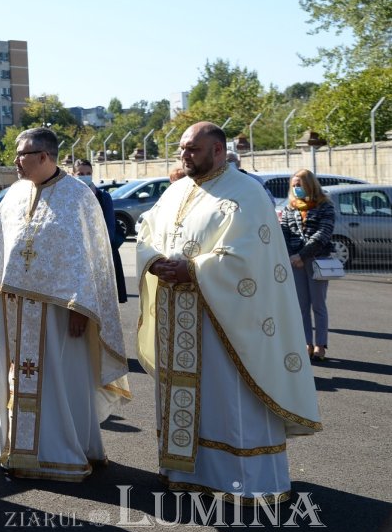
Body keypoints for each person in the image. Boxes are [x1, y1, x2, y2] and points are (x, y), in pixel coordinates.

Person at [137, 122, 322, 504]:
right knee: (188, 395)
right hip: (179, 315)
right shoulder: (175, 191)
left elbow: (249, 258)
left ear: (218, 151)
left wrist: (194, 269)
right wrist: (154, 262)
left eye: (193, 149)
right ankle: (184, 471)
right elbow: (146, 232)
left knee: (230, 398)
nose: (185, 155)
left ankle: (244, 480)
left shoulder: (247, 193)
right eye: (183, 148)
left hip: (226, 321)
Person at [0, 127, 131, 482]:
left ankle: (62, 452)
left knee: (60, 381)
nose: (16, 162)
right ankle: (18, 450)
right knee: (14, 380)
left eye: (22, 155)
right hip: (13, 309)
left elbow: (91, 260)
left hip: (60, 313)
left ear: (44, 156)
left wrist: (83, 309)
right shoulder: (15, 193)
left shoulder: (79, 197)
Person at [280, 169, 336, 362]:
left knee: (318, 304)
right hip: (295, 261)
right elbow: (284, 232)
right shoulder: (290, 208)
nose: (296, 189)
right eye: (293, 186)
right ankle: (306, 342)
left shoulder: (325, 206)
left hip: (317, 259)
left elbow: (323, 233)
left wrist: (302, 255)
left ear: (310, 185)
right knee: (301, 305)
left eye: (299, 185)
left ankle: (321, 344)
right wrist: (292, 256)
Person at [73, 159, 127, 304]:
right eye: (81, 173)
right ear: (73, 174)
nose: (85, 176)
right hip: (77, 256)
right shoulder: (69, 196)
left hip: (101, 254)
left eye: (88, 173)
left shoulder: (103, 196)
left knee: (102, 301)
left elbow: (109, 228)